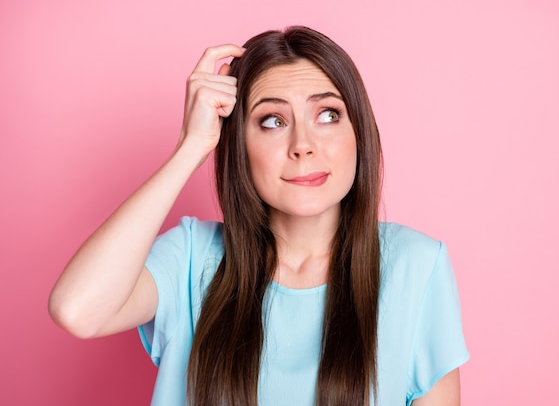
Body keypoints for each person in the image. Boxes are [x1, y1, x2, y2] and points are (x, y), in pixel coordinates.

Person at [49, 26, 469, 406]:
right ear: (239, 147)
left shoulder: (417, 265)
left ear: (358, 132)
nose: (303, 145)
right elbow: (77, 310)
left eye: (328, 115)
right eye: (273, 121)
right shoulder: (192, 257)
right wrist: (190, 148)